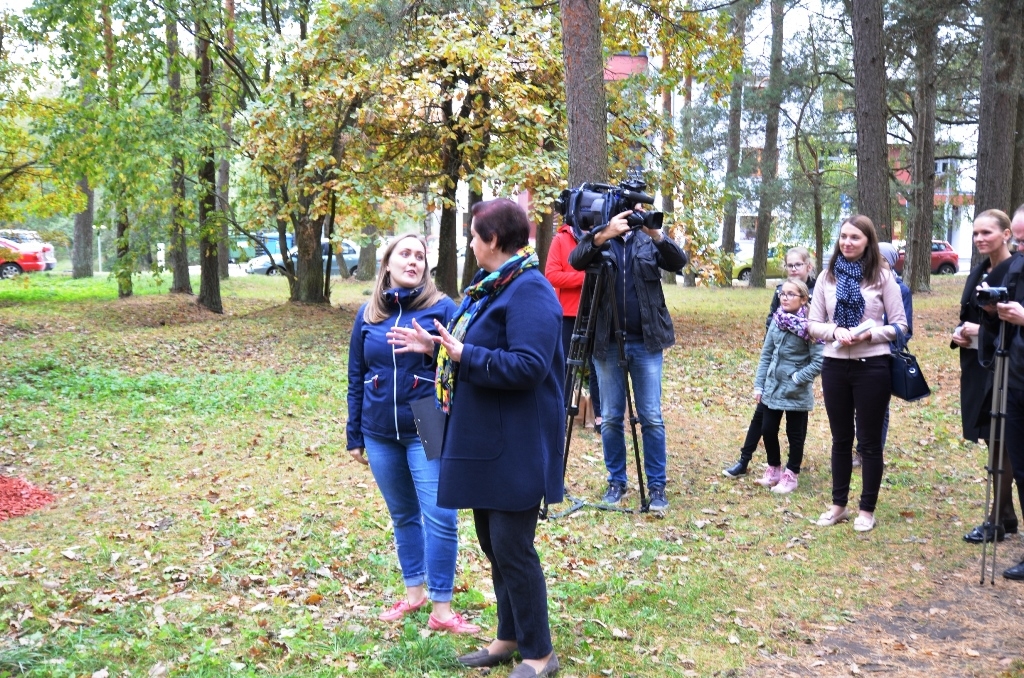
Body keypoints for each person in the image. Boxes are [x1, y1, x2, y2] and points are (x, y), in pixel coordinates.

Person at [389, 198, 564, 676]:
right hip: (485, 441)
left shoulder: (530, 290)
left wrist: (467, 355)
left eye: (473, 234)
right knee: (493, 543)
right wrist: (438, 349)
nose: (469, 242)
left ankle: (540, 653)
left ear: (493, 241)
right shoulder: (491, 288)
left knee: (513, 547)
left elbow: (529, 365)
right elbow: (473, 350)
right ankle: (509, 637)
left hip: (517, 444)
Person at [345, 234, 478, 633]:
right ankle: (414, 594)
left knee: (440, 516)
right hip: (379, 429)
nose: (413, 261)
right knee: (403, 514)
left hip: (426, 420)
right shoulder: (368, 315)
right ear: (387, 263)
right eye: (405, 254)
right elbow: (356, 375)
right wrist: (355, 434)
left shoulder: (442, 308)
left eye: (420, 256)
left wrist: (429, 348)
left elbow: (459, 364)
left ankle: (442, 609)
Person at [568, 207, 687, 512]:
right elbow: (575, 260)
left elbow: (678, 261)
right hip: (606, 341)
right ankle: (616, 481)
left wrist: (656, 233)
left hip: (646, 342)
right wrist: (605, 232)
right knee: (610, 417)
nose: (629, 219)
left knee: (651, 416)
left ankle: (657, 486)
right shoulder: (600, 238)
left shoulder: (649, 242)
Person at [807, 215, 908, 533]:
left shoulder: (881, 277)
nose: (847, 242)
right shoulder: (827, 277)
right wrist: (835, 331)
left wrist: (870, 335)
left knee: (868, 443)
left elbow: (900, 326)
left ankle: (867, 509)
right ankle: (838, 506)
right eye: (843, 237)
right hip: (835, 365)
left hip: (872, 367)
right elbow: (812, 324)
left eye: (855, 238)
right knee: (840, 439)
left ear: (868, 242)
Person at [954, 210, 1019, 544]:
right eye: (976, 233)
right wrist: (961, 333)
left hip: (1005, 365)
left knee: (1002, 439)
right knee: (990, 438)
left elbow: (1012, 322)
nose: (979, 238)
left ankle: (996, 518)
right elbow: (966, 313)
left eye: (987, 233)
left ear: (1006, 234)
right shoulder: (978, 270)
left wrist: (984, 330)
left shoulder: (1016, 271)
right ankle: (1006, 515)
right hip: (976, 364)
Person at [724, 246, 817, 478]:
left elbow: (817, 343)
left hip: (798, 368)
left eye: (798, 265)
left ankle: (790, 469)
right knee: (763, 418)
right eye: (789, 265)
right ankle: (745, 460)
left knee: (795, 425)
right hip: (776, 367)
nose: (793, 269)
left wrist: (798, 372)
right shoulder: (781, 292)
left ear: (809, 267)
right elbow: (773, 319)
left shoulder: (818, 294)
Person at [977, 204, 1024, 579]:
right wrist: (994, 314)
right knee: (1019, 465)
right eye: (1020, 239)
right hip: (1016, 374)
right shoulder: (1018, 266)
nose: (1021, 247)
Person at [748, 278, 824, 494]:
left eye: (791, 294)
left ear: (803, 299)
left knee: (795, 434)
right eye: (782, 293)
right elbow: (766, 355)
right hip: (773, 385)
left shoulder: (812, 326)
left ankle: (791, 474)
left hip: (796, 390)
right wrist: (759, 385)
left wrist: (797, 378)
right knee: (767, 429)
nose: (785, 297)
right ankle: (774, 470)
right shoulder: (777, 319)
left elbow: (819, 361)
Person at [545, 220, 601, 427]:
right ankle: (560, 411)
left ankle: (600, 416)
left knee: (597, 364)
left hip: (596, 312)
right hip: (568, 313)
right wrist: (585, 278)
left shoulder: (602, 237)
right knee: (565, 365)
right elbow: (551, 275)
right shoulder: (560, 239)